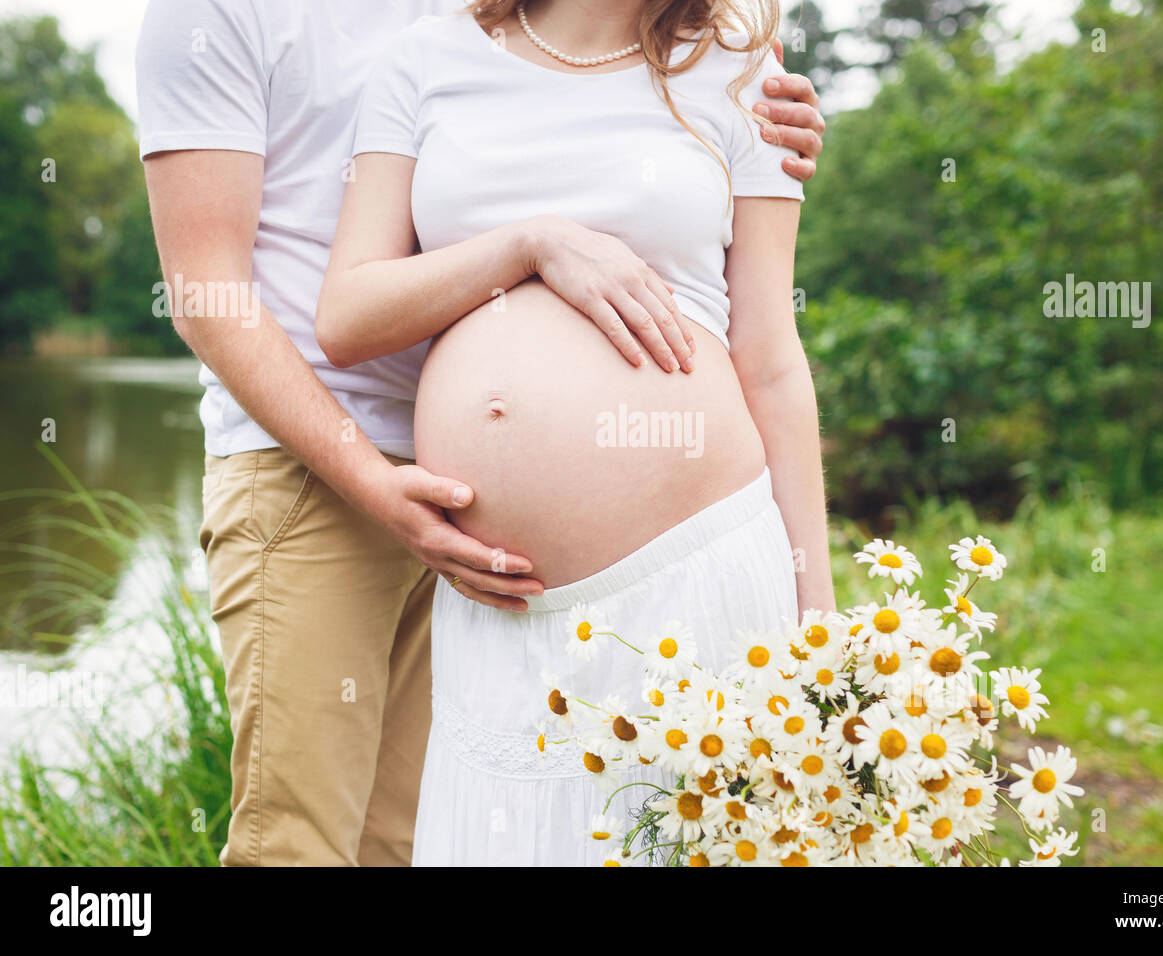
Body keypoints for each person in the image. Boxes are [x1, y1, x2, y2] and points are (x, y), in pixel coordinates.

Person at [135, 0, 826, 866]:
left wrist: (821, 617)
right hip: (314, 465)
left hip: (570, 539)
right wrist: (529, 245)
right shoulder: (250, 21)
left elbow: (767, 346)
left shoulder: (735, 66)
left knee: (406, 841)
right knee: (300, 848)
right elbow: (217, 298)